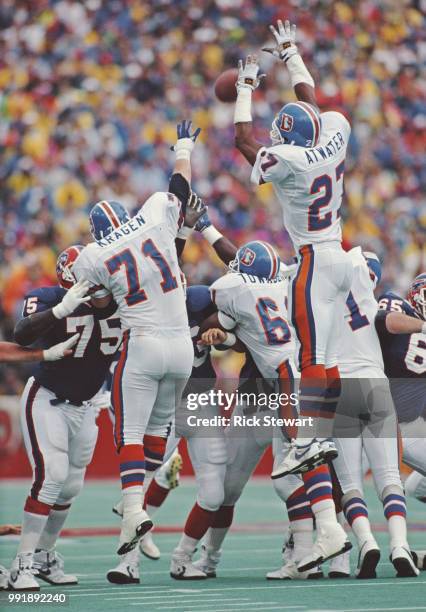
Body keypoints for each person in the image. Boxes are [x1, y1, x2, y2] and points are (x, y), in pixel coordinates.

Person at [72, 121, 202, 557]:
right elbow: (180, 188)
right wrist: (183, 146)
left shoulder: (94, 254)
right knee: (156, 437)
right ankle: (138, 514)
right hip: (182, 348)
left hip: (143, 343)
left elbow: (97, 302)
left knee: (129, 433)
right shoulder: (153, 216)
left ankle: (132, 511)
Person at [233, 18, 353, 477]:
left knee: (311, 357)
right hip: (340, 253)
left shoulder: (289, 160)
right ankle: (324, 432)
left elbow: (244, 139)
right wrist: (291, 54)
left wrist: (246, 85)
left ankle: (307, 439)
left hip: (314, 260)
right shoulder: (334, 131)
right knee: (329, 356)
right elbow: (314, 104)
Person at [8, 246, 122, 591]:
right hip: (47, 399)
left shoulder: (122, 299)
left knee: (70, 485)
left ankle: (44, 555)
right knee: (52, 477)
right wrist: (61, 309)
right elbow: (22, 334)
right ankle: (21, 565)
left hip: (88, 405)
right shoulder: (48, 297)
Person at [332, 248, 419, 578]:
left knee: (350, 482)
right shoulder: (370, 289)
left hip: (341, 386)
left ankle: (366, 542)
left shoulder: (315, 287)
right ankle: (399, 545)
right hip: (375, 381)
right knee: (390, 478)